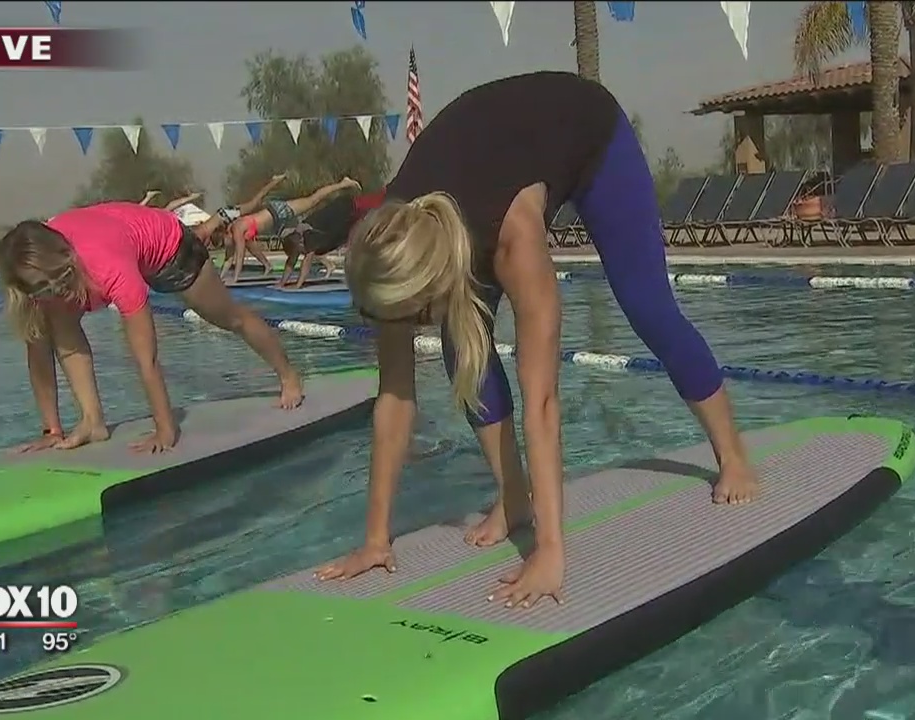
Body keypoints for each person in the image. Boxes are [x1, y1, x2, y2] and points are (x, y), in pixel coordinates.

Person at [315, 72, 758, 608]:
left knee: (648, 307)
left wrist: (551, 551)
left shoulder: (513, 242)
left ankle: (732, 455)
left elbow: (541, 402)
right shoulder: (391, 246)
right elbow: (394, 395)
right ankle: (513, 497)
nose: (407, 331)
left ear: (431, 289)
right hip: (489, 152)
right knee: (464, 348)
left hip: (588, 131)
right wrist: (374, 540)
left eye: (412, 320)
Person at [0, 202, 305, 454]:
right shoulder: (36, 281)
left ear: (64, 261)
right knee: (56, 324)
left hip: (170, 248)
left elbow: (147, 358)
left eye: (50, 284)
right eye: (37, 289)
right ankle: (92, 422)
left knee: (227, 317)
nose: (47, 294)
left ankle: (288, 374)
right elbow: (37, 350)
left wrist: (165, 430)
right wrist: (51, 430)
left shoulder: (107, 266)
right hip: (119, 243)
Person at [225, 177, 361, 285]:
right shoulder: (239, 233)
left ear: (225, 234)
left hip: (279, 213)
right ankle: (269, 266)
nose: (227, 247)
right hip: (278, 223)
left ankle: (343, 184)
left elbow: (240, 256)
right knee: (298, 246)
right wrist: (222, 276)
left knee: (313, 199)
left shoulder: (237, 230)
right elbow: (230, 257)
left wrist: (236, 278)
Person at [280, 193, 369, 289]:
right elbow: (291, 261)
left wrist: (298, 285)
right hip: (344, 209)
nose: (299, 254)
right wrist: (281, 283)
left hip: (350, 208)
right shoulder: (298, 236)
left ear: (298, 243)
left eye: (297, 252)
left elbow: (307, 261)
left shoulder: (308, 236)